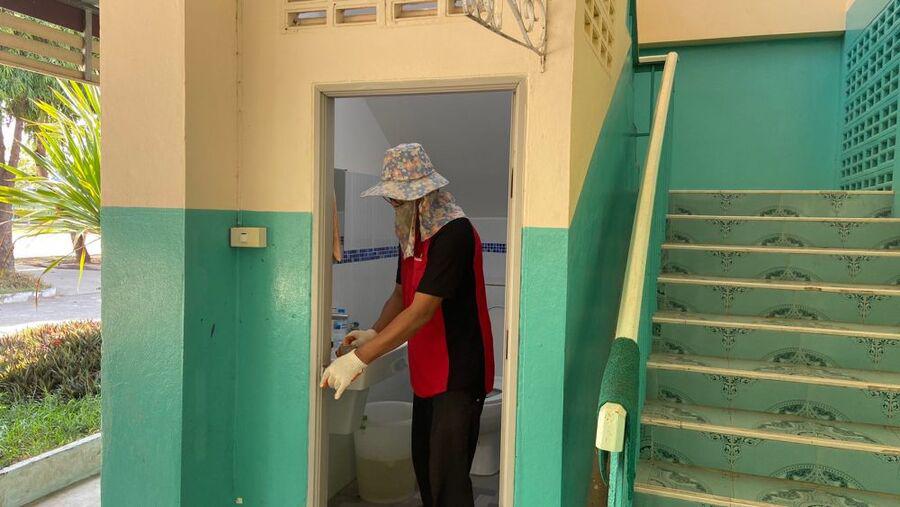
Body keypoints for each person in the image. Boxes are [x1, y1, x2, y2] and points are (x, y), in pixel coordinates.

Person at [321, 143, 495, 507]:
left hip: (459, 372)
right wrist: (373, 332)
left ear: (423, 194)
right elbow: (401, 295)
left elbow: (421, 311)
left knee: (448, 482)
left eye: (398, 199)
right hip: (428, 369)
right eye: (392, 198)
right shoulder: (413, 232)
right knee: (426, 470)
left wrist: (359, 359)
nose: (393, 205)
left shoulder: (454, 233)